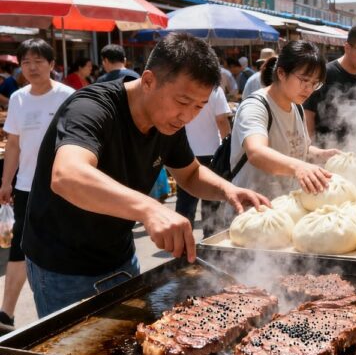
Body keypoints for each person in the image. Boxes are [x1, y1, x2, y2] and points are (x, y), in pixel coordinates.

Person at [22, 33, 269, 318]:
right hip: (62, 265)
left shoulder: (168, 122)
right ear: (149, 80)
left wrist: (228, 190)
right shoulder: (91, 108)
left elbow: (189, 173)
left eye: (199, 107)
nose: (187, 116)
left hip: (120, 255)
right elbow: (67, 175)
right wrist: (150, 208)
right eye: (183, 101)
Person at [0, 39, 74, 332]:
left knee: (62, 246)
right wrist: (7, 182)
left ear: (52, 65)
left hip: (63, 185)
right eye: (26, 62)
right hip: (27, 186)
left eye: (38, 61)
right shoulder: (18, 98)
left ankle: (66, 309)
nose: (31, 67)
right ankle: (5, 314)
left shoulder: (68, 96)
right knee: (20, 248)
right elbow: (14, 144)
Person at [230, 40, 340, 200]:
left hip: (284, 205)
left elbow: (296, 146)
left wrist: (323, 154)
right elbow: (256, 152)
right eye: (304, 80)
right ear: (281, 73)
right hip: (252, 209)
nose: (309, 89)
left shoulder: (297, 106)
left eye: (315, 83)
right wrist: (298, 167)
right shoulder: (255, 106)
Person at [304, 24, 356, 147]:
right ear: (347, 47)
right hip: (325, 151)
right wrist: (311, 150)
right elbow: (308, 114)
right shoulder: (324, 74)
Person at [176, 86, 232, 237]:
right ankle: (210, 241)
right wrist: (228, 145)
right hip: (211, 152)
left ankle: (182, 242)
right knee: (211, 201)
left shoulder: (184, 87)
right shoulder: (215, 89)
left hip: (185, 151)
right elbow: (221, 120)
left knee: (185, 202)